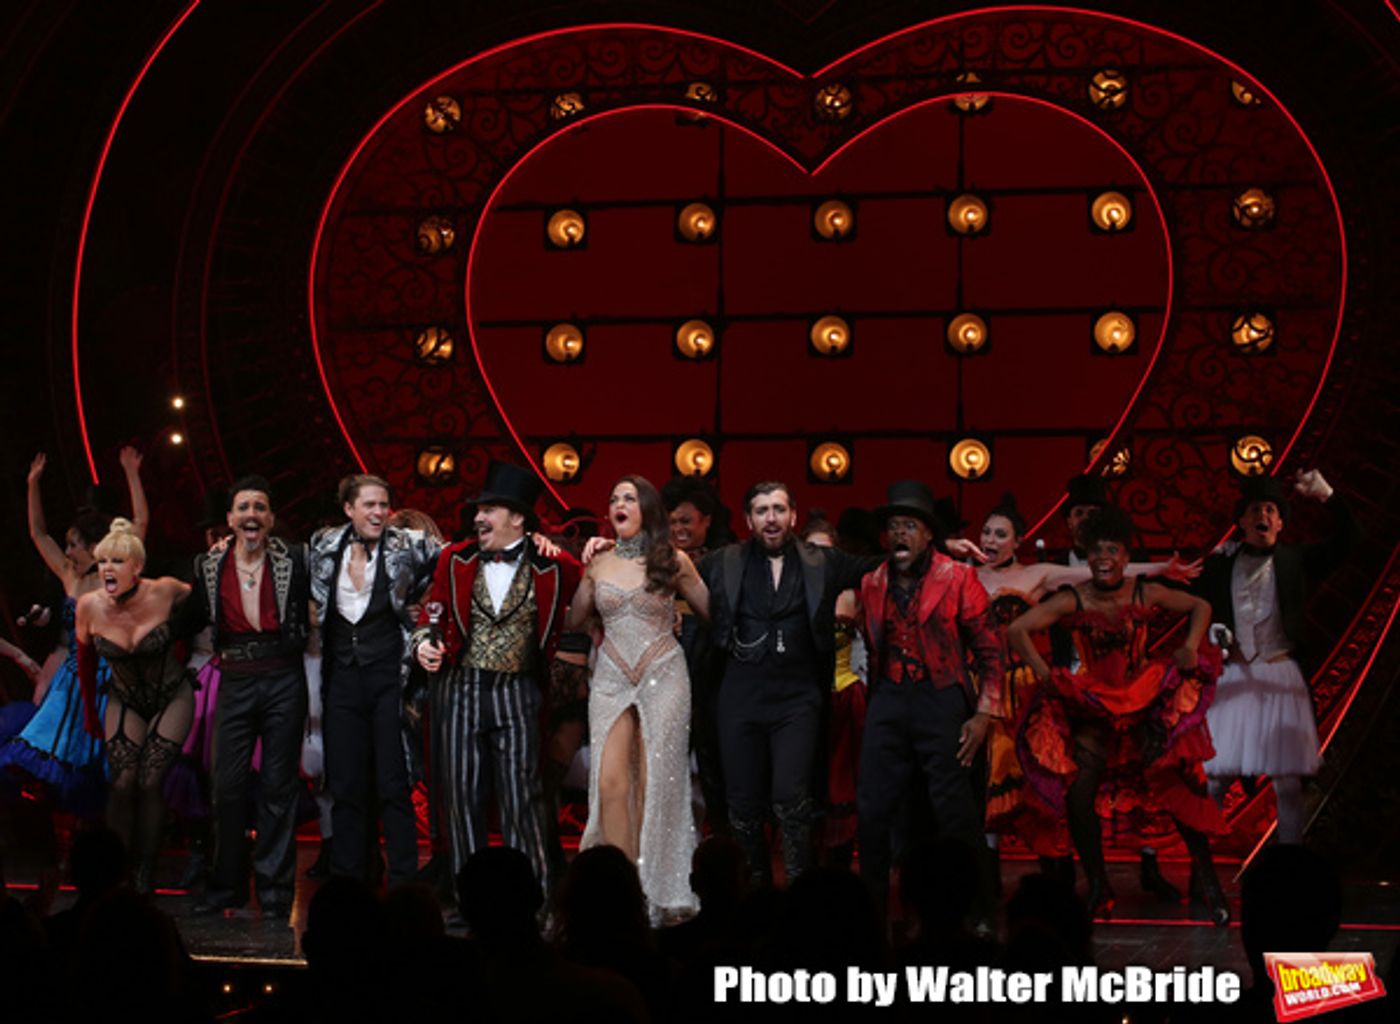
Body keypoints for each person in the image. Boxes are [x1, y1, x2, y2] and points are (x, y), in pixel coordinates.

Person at [1006, 507, 1230, 923]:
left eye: (1112, 550)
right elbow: (1017, 630)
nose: (1104, 558)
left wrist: (1189, 646)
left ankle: (1210, 885)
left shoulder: (1144, 592)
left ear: (1126, 557)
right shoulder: (1073, 598)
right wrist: (1043, 673)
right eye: (1096, 551)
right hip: (1095, 706)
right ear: (1087, 557)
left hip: (1144, 701)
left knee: (1176, 780)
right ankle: (1098, 886)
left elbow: (1200, 605)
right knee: (1078, 792)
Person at [976, 492, 1199, 856]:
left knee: (1025, 773)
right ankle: (985, 868)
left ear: (1018, 541)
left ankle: (1057, 863)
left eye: (1000, 534)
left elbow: (1096, 569)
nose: (990, 540)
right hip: (978, 683)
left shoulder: (1036, 574)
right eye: (986, 532)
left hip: (1020, 685)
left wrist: (1160, 568)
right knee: (983, 776)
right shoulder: (963, 575)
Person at [695, 480, 884, 886]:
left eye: (779, 509)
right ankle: (756, 892)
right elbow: (668, 567)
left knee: (791, 797)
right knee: (742, 802)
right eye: (761, 510)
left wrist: (942, 548)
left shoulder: (822, 561)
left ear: (793, 516)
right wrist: (604, 548)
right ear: (748, 519)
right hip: (740, 696)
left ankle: (800, 892)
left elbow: (880, 565)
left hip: (797, 698)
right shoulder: (724, 561)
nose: (771, 518)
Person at [411, 460, 580, 894]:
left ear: (518, 518)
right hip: (460, 687)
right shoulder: (454, 558)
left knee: (522, 797)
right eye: (478, 510)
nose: (478, 518)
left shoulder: (554, 565)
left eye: (489, 510)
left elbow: (598, 582)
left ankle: (534, 897)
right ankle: (470, 897)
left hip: (518, 690)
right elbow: (431, 615)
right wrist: (423, 644)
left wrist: (570, 546)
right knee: (461, 796)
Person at [854, 480, 1005, 919]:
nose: (899, 534)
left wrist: (983, 714)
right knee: (873, 808)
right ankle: (872, 912)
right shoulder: (872, 581)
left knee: (954, 811)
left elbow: (992, 652)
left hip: (940, 698)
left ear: (927, 534)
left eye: (909, 525)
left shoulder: (957, 577)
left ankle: (977, 912)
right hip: (888, 698)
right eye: (893, 526)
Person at [567, 475, 709, 919]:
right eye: (613, 498)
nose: (619, 504)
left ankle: (659, 888)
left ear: (646, 508)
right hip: (612, 676)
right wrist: (579, 564)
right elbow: (574, 618)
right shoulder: (599, 561)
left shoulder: (673, 559)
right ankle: (621, 889)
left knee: (657, 781)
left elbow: (713, 612)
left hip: (663, 673)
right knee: (609, 782)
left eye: (628, 497)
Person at [1195, 470, 1359, 844]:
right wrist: (1213, 632)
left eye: (1270, 510)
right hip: (1237, 676)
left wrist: (1328, 495)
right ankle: (1201, 865)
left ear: (1281, 522)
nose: (1263, 516)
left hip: (1281, 675)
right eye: (1255, 510)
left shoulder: (1295, 561)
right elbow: (1180, 588)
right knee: (1216, 778)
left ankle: (1290, 862)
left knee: (1287, 784)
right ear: (1241, 521)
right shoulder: (1221, 564)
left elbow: (1351, 539)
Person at [309, 474, 440, 886]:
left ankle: (404, 883)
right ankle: (349, 882)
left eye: (384, 504)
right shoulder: (323, 544)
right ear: (349, 508)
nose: (379, 512)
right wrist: (227, 547)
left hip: (388, 676)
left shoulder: (409, 544)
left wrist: (533, 541)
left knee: (392, 783)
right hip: (342, 678)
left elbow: (459, 557)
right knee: (346, 784)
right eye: (370, 505)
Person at [189, 476, 311, 917]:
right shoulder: (208, 564)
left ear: (271, 519)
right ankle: (227, 887)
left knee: (278, 788)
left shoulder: (295, 558)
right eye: (243, 508)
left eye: (260, 507)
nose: (252, 515)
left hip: (282, 675)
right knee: (227, 788)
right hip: (236, 677)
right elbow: (189, 615)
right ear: (230, 519)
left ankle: (276, 894)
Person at [0, 448, 147, 811]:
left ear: (95, 547)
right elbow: (38, 534)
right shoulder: (70, 576)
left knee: (100, 761)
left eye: (72, 544)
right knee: (54, 750)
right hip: (71, 678)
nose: (66, 551)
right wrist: (33, 484)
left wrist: (131, 472)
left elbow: (141, 522)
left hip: (109, 675)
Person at [75, 519, 196, 893]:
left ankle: (145, 870)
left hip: (171, 694)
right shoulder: (89, 606)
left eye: (117, 561)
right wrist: (91, 715)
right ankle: (116, 871)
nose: (107, 569)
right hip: (123, 697)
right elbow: (85, 665)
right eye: (102, 562)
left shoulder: (165, 591)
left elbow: (207, 599)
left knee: (149, 780)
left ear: (137, 566)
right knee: (123, 782)